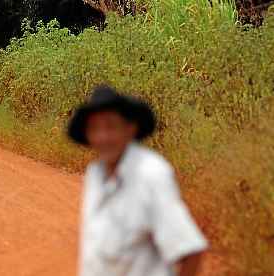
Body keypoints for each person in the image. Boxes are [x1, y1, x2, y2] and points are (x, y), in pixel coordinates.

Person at [68, 85, 208, 276]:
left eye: (111, 126)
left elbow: (190, 249)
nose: (103, 137)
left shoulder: (149, 174)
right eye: (94, 128)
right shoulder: (95, 174)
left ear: (130, 128)